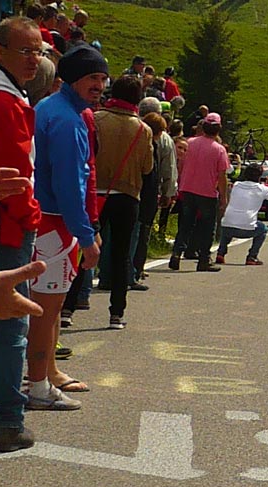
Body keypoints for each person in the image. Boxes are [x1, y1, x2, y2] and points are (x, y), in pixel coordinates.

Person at [32, 44, 107, 413]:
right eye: (92, 77)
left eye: (103, 78)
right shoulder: (66, 119)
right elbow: (70, 183)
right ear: (73, 78)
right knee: (48, 305)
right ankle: (39, 383)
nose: (99, 85)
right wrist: (86, 233)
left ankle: (48, 370)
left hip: (46, 218)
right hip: (54, 222)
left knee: (47, 303)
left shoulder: (54, 108)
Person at [0, 17, 47, 448]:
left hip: (2, 217)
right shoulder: (3, 99)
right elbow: (15, 175)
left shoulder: (8, 91)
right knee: (13, 321)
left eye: (39, 51)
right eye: (25, 50)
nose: (34, 59)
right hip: (9, 223)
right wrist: (31, 217)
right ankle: (10, 418)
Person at [93, 74, 154, 329]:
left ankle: (68, 308)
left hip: (95, 192)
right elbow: (147, 166)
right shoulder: (143, 129)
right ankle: (116, 313)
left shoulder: (96, 119)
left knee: (84, 250)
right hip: (127, 196)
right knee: (120, 255)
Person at [168, 112, 228, 272]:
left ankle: (176, 253)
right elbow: (222, 177)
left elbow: (180, 165)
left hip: (187, 188)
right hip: (207, 191)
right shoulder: (219, 150)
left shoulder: (190, 143)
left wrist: (180, 183)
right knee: (207, 227)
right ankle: (204, 259)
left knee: (186, 223)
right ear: (218, 129)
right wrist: (224, 198)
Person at [132, 109, 173, 289]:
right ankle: (135, 270)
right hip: (146, 193)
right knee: (142, 233)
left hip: (126, 190)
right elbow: (168, 170)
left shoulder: (132, 135)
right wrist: (167, 193)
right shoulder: (159, 143)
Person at [216, 163, 268, 266]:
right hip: (247, 229)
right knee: (263, 229)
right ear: (260, 176)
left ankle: (221, 253)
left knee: (228, 223)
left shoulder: (236, 185)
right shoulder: (262, 189)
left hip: (227, 227)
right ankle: (252, 256)